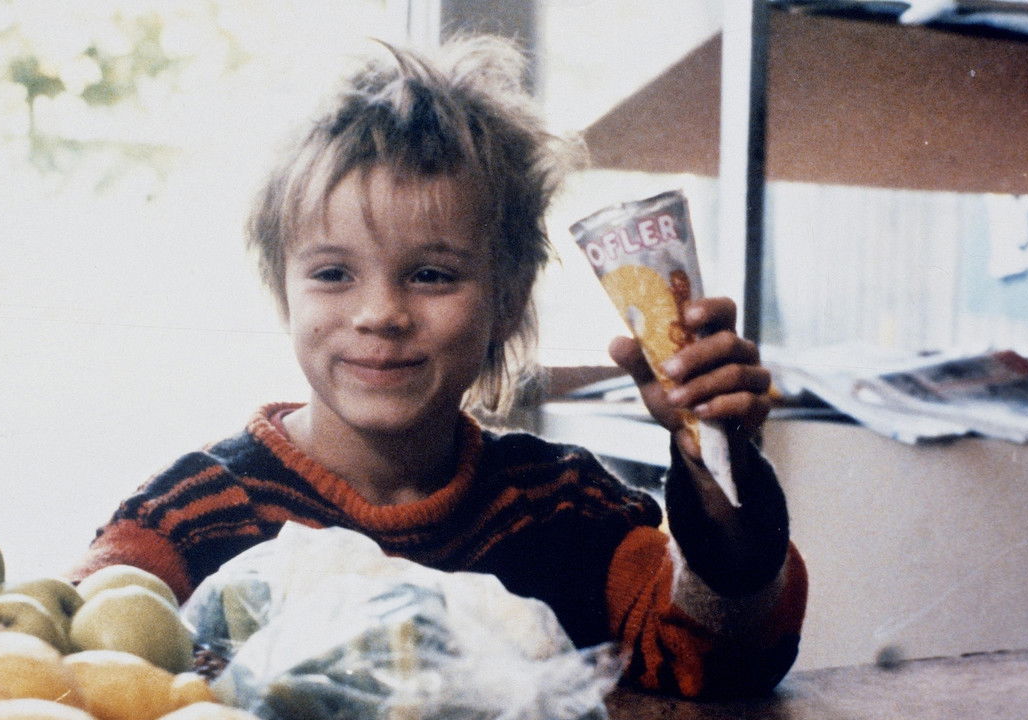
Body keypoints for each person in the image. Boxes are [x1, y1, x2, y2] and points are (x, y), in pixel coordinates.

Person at [70, 34, 807, 699]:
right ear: (283, 291)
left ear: (509, 301)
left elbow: (718, 656)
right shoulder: (193, 516)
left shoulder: (563, 510)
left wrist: (719, 464)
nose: (380, 313)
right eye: (332, 274)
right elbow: (61, 660)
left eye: (430, 275)